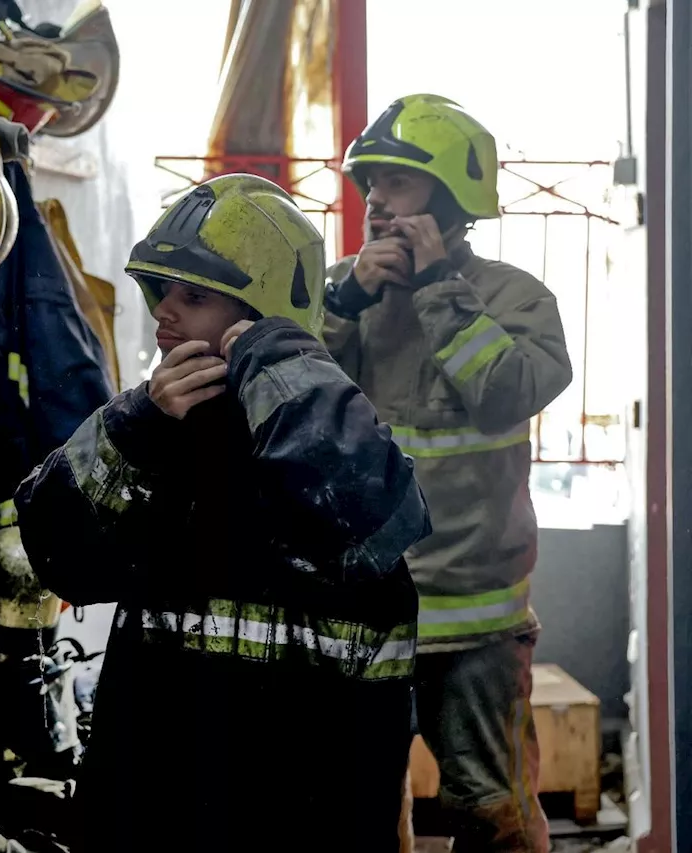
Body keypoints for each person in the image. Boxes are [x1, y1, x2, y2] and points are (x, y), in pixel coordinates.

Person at [14, 174, 431, 851]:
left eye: (195, 295)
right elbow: (59, 554)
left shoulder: (331, 436)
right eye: (163, 292)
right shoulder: (157, 434)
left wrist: (277, 359)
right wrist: (133, 421)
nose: (164, 314)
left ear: (256, 316)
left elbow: (367, 512)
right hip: (158, 813)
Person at [325, 94, 573, 853]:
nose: (376, 200)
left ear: (452, 196)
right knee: (357, 809)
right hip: (362, 611)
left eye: (397, 182)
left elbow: (504, 394)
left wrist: (436, 291)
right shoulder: (345, 295)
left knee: (490, 811)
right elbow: (291, 404)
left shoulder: (516, 299)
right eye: (370, 184)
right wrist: (345, 301)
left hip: (477, 629)